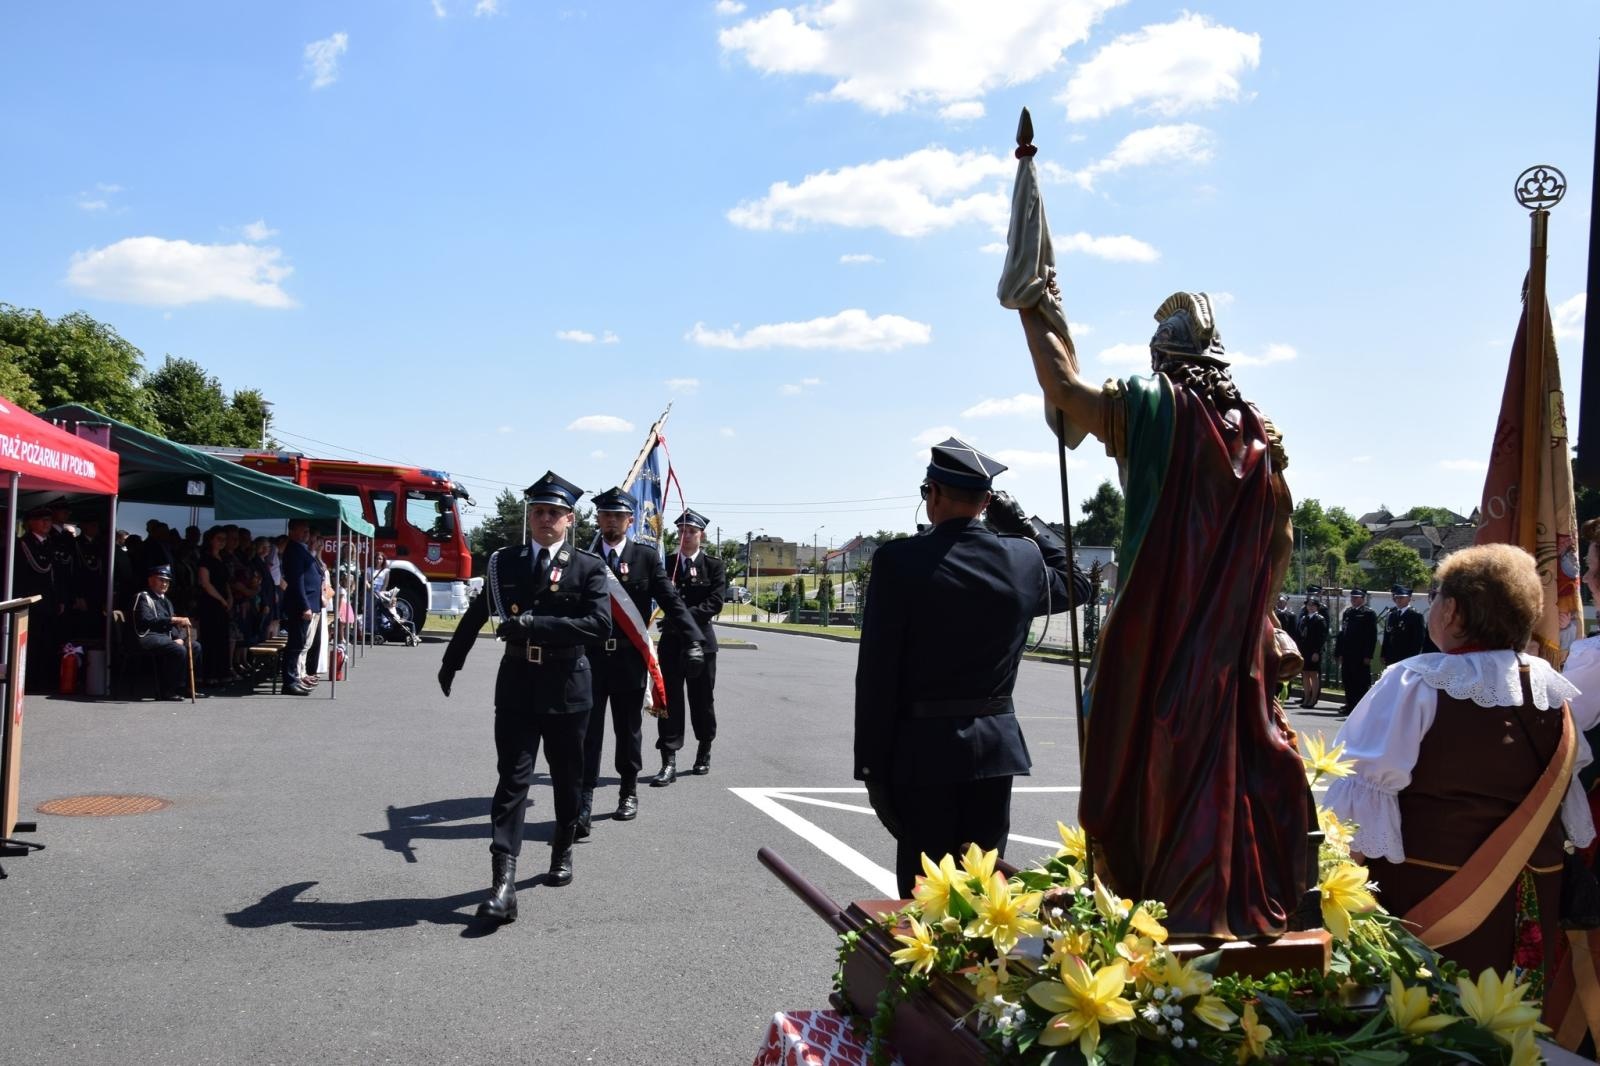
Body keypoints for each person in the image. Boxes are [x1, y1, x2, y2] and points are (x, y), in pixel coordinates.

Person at [1016, 291, 1312, 940]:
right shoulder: (1261, 431)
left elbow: (1065, 390)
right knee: (1226, 776)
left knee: (1127, 761)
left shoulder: (1154, 410)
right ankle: (1214, 907)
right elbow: (1282, 536)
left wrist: (1032, 308)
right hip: (1231, 649)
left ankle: (1147, 906)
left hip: (1155, 640)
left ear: (1161, 361)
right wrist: (1263, 618)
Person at [1325, 543, 1597, 980]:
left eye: (1435, 598)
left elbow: (1353, 816)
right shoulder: (1552, 690)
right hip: (1532, 898)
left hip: (1431, 904)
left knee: (1435, 1025)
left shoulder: (1415, 680)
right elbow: (1569, 810)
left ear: (1450, 611)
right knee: (1509, 1027)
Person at [855, 438, 1089, 898]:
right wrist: (1023, 525)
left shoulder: (898, 562)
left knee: (927, 899)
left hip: (921, 754)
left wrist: (872, 769)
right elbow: (1077, 583)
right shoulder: (1022, 558)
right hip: (994, 753)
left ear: (933, 494)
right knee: (985, 895)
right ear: (986, 503)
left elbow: (877, 676)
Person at [438, 471, 608, 919]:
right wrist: (451, 660)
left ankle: (563, 847)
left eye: (553, 512)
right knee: (512, 781)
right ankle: (503, 884)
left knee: (568, 778)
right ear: (528, 516)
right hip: (517, 683)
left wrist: (536, 624)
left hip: (569, 685)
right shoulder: (504, 562)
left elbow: (598, 626)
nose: (544, 519)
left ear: (569, 519)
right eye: (537, 511)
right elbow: (477, 614)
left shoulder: (588, 567)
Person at [579, 488, 702, 834]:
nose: (612, 521)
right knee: (587, 732)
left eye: (619, 516)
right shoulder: (584, 557)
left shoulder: (646, 558)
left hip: (629, 658)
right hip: (590, 659)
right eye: (606, 515)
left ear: (630, 521)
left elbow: (672, 601)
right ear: (598, 519)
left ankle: (628, 790)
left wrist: (693, 638)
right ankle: (584, 799)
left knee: (628, 730)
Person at [651, 509, 724, 786]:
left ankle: (704, 749)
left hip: (702, 644)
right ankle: (668, 760)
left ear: (701, 535)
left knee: (702, 700)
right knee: (668, 702)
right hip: (671, 643)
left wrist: (680, 616)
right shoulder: (666, 564)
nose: (685, 536)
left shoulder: (713, 565)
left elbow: (714, 603)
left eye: (691, 531)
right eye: (681, 531)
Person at [132, 565, 205, 701]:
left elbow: (173, 626)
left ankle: (188, 687)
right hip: (148, 636)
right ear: (150, 580)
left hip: (164, 637)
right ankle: (169, 690)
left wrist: (179, 637)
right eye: (161, 580)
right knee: (177, 649)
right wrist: (173, 619)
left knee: (194, 646)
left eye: (167, 581)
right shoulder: (143, 597)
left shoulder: (166, 601)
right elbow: (145, 620)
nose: (164, 583)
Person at [13, 505, 63, 692]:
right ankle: (29, 681)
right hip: (31, 601)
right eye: (42, 520)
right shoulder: (23, 544)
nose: (46, 524)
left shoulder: (51, 544)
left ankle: (45, 680)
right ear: (31, 523)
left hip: (50, 601)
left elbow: (58, 575)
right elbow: (20, 575)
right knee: (31, 643)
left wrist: (61, 599)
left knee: (49, 642)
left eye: (49, 520)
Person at [280, 519, 320, 696]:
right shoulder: (294, 550)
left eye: (307, 531)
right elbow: (297, 581)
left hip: (308, 603)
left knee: (300, 643)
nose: (306, 535)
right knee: (295, 644)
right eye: (302, 531)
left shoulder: (300, 548)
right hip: (299, 605)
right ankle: (289, 681)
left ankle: (295, 677)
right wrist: (305, 606)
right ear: (292, 531)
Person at [1335, 587, 1378, 715]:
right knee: (1348, 679)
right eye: (1352, 597)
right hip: (1348, 652)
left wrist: (1368, 655)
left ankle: (1360, 707)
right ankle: (1350, 704)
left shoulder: (1368, 613)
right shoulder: (1348, 612)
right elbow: (1343, 633)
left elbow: (1371, 636)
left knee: (1360, 681)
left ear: (1363, 599)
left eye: (1356, 597)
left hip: (1360, 653)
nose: (1353, 600)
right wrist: (1339, 652)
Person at [1381, 583, 1427, 668]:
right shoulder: (1392, 614)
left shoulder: (1416, 615)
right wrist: (1383, 654)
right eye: (1397, 597)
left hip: (1406, 656)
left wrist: (1413, 658)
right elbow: (1387, 635)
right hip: (1391, 656)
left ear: (1409, 598)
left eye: (1401, 597)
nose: (1398, 600)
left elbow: (1418, 640)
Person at [1297, 596, 1329, 709]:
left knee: (1313, 674)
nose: (1310, 607)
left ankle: (1313, 698)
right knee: (1305, 674)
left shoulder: (1320, 619)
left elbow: (1322, 637)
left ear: (1317, 607)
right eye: (1309, 605)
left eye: (1313, 605)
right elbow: (1300, 635)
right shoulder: (1304, 618)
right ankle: (1306, 697)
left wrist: (1317, 651)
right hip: (1304, 650)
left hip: (1314, 651)